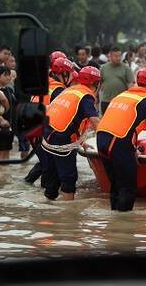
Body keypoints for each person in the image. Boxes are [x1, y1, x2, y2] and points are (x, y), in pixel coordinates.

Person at [96, 67, 146, 211]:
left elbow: (123, 124)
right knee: (128, 188)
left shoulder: (122, 95)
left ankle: (114, 223)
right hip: (117, 141)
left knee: (116, 184)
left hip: (101, 139)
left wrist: (132, 150)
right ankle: (125, 227)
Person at [41, 66, 101, 201]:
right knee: (69, 178)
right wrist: (108, 143)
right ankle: (69, 217)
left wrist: (82, 142)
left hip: (47, 134)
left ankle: (46, 212)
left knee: (52, 179)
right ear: (96, 84)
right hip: (61, 139)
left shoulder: (70, 90)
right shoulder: (86, 97)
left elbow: (69, 117)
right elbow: (96, 122)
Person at [24, 55, 76, 185]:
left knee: (46, 164)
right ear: (63, 74)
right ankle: (46, 197)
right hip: (42, 131)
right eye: (69, 75)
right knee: (50, 167)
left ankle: (29, 186)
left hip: (33, 129)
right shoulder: (58, 90)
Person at [99, 47, 134, 115]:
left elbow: (131, 85)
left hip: (121, 101)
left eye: (119, 56)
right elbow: (99, 83)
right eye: (116, 56)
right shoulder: (103, 68)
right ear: (110, 56)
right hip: (106, 100)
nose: (118, 58)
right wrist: (96, 95)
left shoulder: (126, 68)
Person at [0, 66, 14, 160]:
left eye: (9, 75)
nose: (8, 77)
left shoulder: (9, 90)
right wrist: (0, 118)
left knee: (7, 151)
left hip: (9, 125)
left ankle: (5, 175)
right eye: (5, 75)